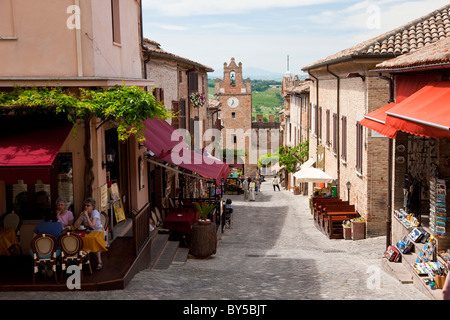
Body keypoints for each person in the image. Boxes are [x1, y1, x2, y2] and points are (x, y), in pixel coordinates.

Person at [73, 197, 104, 270]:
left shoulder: (95, 213)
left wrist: (86, 216)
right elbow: (75, 226)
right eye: (85, 205)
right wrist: (81, 216)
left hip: (98, 230)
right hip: (88, 231)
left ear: (92, 207)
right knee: (80, 238)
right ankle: (83, 258)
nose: (86, 207)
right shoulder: (83, 213)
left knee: (95, 239)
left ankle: (99, 261)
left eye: (88, 205)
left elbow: (92, 225)